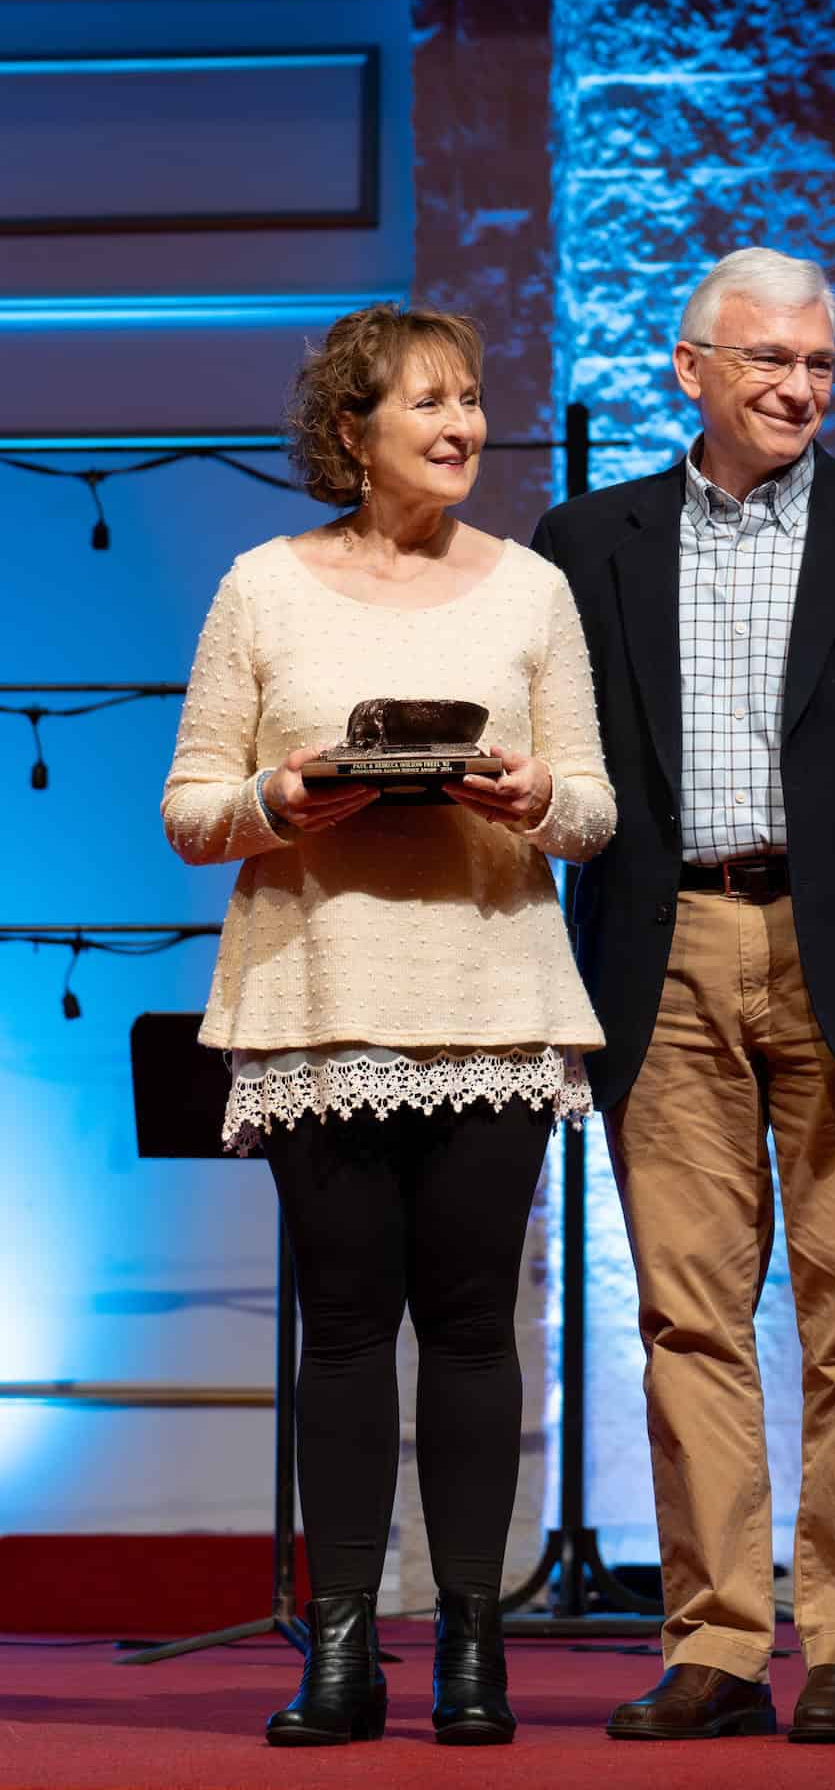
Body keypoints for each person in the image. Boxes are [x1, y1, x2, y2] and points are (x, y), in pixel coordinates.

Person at [533, 246, 835, 1744]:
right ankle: (720, 1646)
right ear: (692, 370)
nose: (800, 387)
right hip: (660, 949)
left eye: (820, 364)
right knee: (688, 1318)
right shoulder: (585, 538)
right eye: (769, 363)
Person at [162, 302, 616, 1747]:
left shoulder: (532, 588)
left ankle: (475, 1652)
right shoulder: (260, 587)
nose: (463, 424)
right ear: (350, 431)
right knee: (349, 1331)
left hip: (491, 993)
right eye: (428, 401)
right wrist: (284, 800)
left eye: (473, 399)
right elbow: (188, 813)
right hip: (320, 1000)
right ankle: (342, 1654)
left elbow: (598, 811)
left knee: (477, 1327)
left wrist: (527, 795)